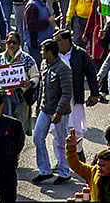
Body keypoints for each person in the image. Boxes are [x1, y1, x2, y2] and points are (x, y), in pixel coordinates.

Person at [31, 39, 73, 186]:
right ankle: (45, 171)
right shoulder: (44, 65)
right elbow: (42, 88)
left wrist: (59, 112)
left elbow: (67, 93)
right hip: (45, 109)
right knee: (37, 138)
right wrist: (38, 106)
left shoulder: (63, 68)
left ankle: (64, 172)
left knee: (61, 142)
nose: (41, 52)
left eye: (43, 50)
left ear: (50, 52)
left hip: (59, 112)